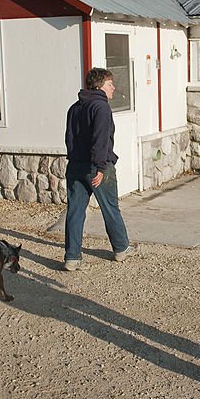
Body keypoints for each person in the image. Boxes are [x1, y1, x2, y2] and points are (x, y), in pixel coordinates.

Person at [62, 68, 136, 271]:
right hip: (97, 167)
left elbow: (69, 138)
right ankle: (121, 248)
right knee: (110, 208)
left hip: (75, 166)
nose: (113, 88)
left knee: (75, 212)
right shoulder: (101, 107)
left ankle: (72, 257)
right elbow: (101, 140)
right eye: (110, 84)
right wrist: (101, 167)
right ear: (100, 85)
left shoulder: (74, 107)